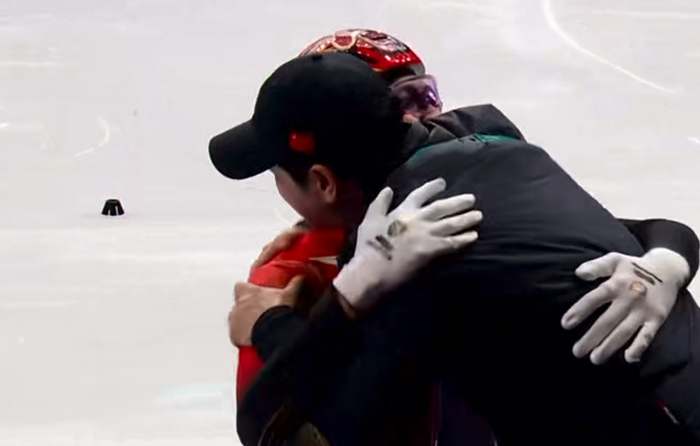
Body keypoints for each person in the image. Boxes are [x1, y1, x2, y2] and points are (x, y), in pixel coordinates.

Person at [226, 31, 700, 445]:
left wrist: (275, 321)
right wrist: (666, 262)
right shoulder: (502, 156)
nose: (423, 111)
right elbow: (641, 230)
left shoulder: (409, 255)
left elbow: (279, 427)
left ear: (323, 181)